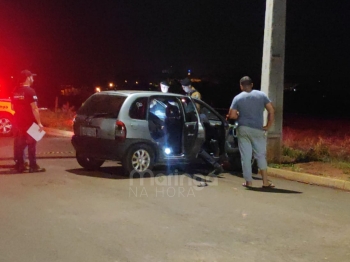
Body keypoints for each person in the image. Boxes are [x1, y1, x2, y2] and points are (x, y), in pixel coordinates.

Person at [228, 76, 275, 188]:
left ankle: (248, 181)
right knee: (260, 155)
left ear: (241, 86)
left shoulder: (237, 98)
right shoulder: (261, 95)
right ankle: (265, 182)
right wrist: (268, 126)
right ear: (252, 85)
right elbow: (271, 110)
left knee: (246, 156)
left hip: (243, 128)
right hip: (257, 129)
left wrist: (239, 115)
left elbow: (232, 115)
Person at [181, 78, 223, 176]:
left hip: (196, 124)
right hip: (192, 123)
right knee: (197, 148)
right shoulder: (188, 95)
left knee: (198, 148)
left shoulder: (195, 95)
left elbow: (196, 109)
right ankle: (213, 166)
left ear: (189, 86)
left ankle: (216, 166)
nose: (183, 89)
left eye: (184, 87)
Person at [11, 70, 45, 173]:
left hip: (18, 122)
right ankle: (33, 166)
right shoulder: (30, 91)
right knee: (31, 144)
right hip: (30, 122)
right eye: (31, 77)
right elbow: (34, 108)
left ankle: (20, 165)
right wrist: (39, 123)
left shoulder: (15, 91)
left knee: (20, 144)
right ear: (27, 78)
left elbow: (13, 107)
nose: (33, 79)